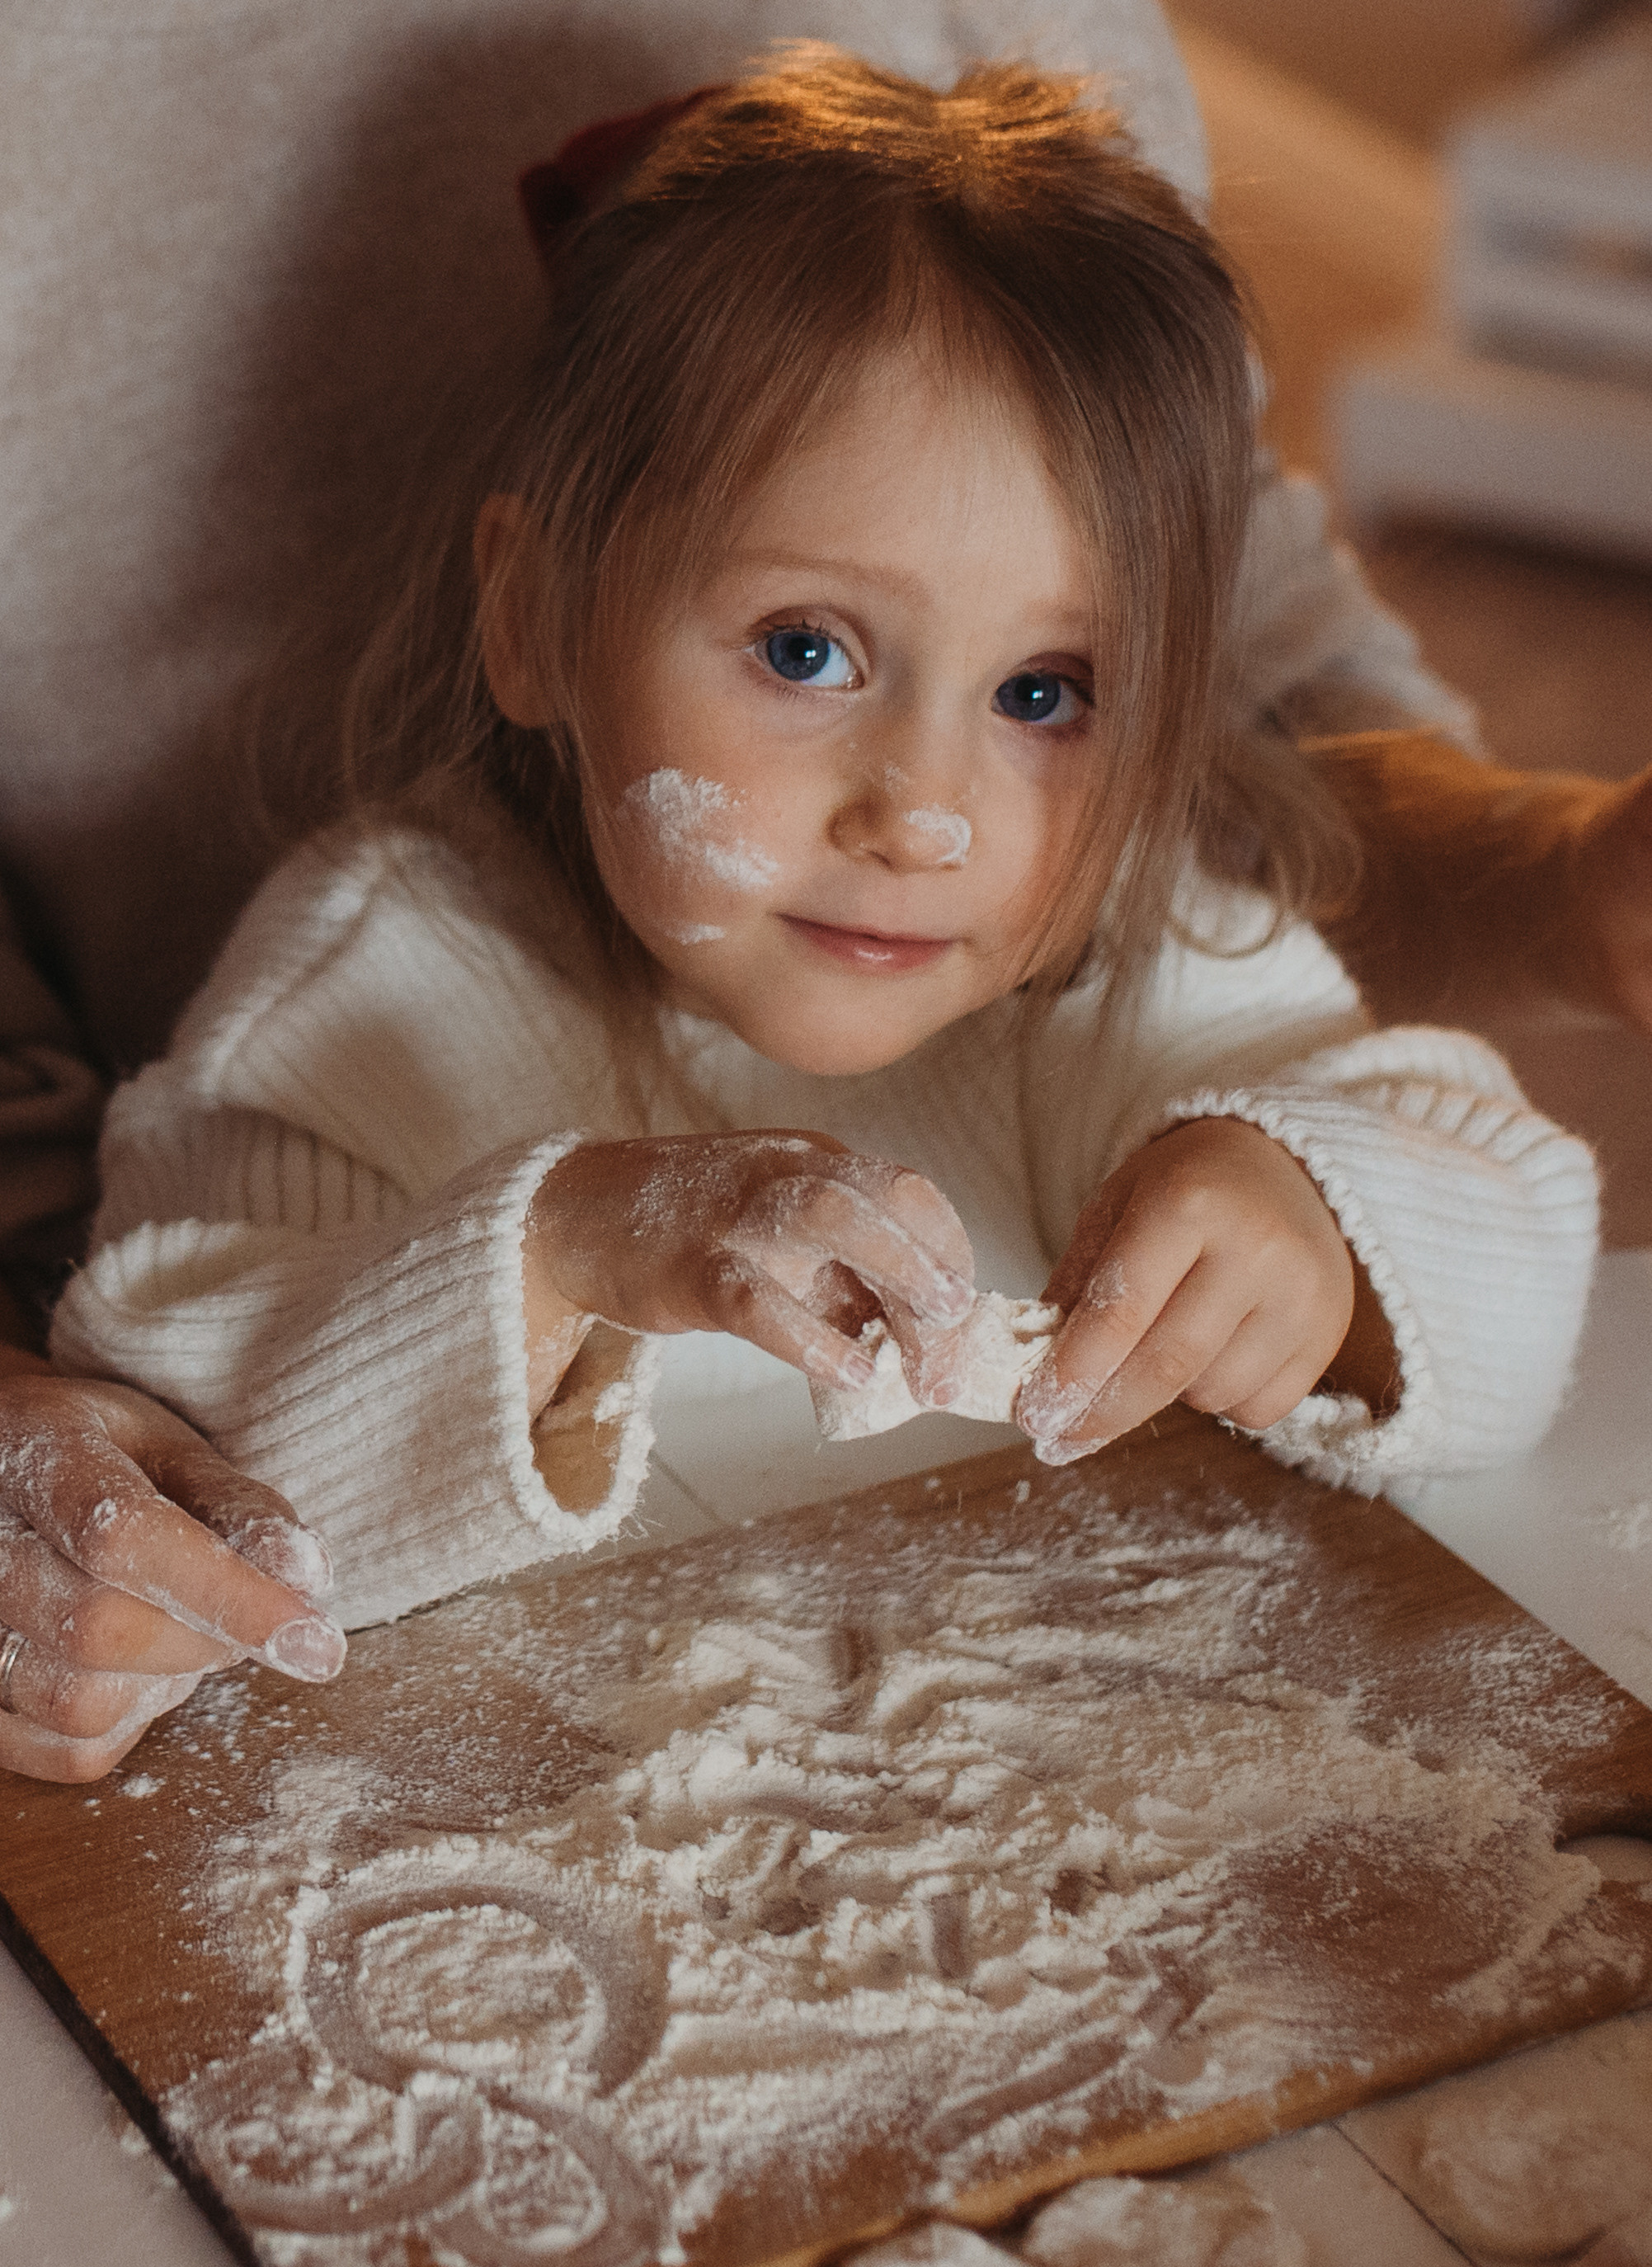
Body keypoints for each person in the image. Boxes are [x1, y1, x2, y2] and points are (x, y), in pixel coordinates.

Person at [22, 49, 1593, 1798]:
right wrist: (566, 1255)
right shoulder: (363, 988)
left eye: (1047, 691)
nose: (924, 816)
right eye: (806, 652)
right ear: (534, 612)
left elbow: (1523, 1249)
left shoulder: (1123, 966)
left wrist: (1317, 1225)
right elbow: (180, 1498)